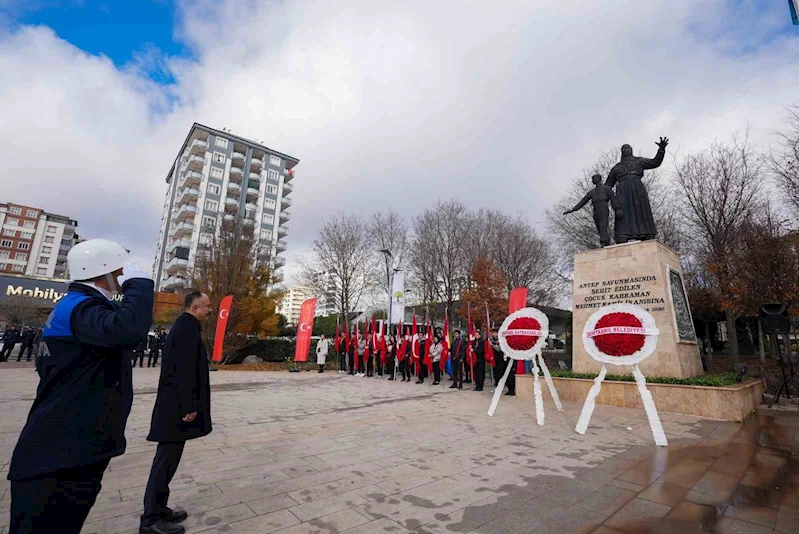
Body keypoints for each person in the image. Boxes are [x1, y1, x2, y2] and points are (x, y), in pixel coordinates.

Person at [8, 239, 153, 534]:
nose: (123, 274)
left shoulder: (76, 307)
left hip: (64, 445)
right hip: (62, 452)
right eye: (120, 269)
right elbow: (128, 331)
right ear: (105, 271)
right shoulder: (82, 308)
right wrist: (139, 286)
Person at [141, 291, 213, 534]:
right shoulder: (185, 330)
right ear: (194, 308)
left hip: (175, 407)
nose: (210, 310)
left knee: (169, 460)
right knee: (164, 462)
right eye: (207, 306)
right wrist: (189, 406)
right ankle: (150, 519)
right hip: (176, 410)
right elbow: (183, 371)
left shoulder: (187, 327)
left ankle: (160, 508)